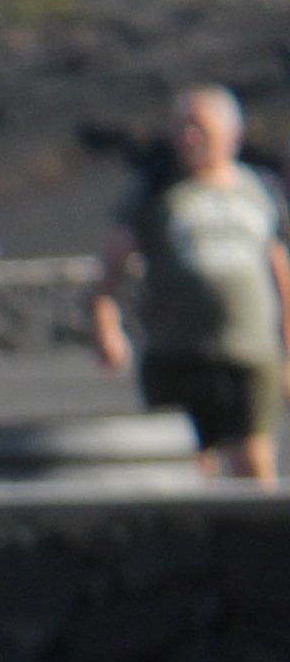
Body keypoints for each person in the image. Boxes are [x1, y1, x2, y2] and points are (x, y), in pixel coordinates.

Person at [91, 84, 289, 486]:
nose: (189, 138)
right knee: (188, 465)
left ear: (231, 133)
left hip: (250, 352)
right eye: (182, 128)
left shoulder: (259, 190)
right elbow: (109, 271)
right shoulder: (157, 191)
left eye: (199, 127)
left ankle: (258, 548)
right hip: (176, 354)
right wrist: (106, 326)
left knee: (254, 460)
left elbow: (280, 273)